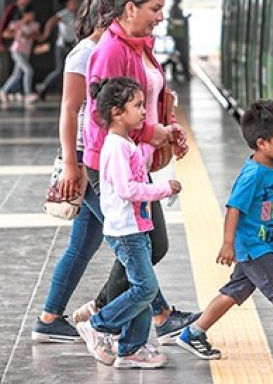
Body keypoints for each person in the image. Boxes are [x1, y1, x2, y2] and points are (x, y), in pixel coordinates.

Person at [81, 0, 198, 343]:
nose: (161, 16)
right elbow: (104, 117)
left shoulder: (139, 45)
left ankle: (123, 328)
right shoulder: (112, 51)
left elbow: (150, 98)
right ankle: (101, 319)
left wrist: (169, 128)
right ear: (130, 8)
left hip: (138, 159)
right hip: (112, 166)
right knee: (147, 246)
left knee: (141, 247)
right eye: (155, 8)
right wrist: (153, 133)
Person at [176, 100, 273, 364]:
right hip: (252, 247)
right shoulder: (252, 174)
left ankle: (192, 332)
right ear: (262, 143)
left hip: (261, 245)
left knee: (234, 292)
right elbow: (233, 208)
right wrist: (228, 243)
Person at [32, 0, 117, 343]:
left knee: (83, 244)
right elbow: (69, 109)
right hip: (85, 158)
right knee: (130, 238)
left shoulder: (107, 49)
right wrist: (72, 162)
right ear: (108, 13)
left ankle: (50, 318)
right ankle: (158, 314)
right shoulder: (84, 52)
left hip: (95, 155)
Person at [76, 76, 180, 369]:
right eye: (137, 105)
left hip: (137, 227)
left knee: (143, 286)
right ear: (117, 113)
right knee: (145, 289)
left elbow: (137, 164)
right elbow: (128, 190)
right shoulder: (116, 147)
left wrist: (168, 133)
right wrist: (164, 189)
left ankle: (131, 348)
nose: (144, 111)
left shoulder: (125, 143)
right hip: (126, 231)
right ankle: (98, 325)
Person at [36, 0, 80, 99]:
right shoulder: (64, 13)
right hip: (62, 46)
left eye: (76, 3)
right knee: (60, 70)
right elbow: (52, 21)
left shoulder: (77, 15)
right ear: (68, 4)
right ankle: (43, 86)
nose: (75, 5)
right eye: (72, 3)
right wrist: (45, 34)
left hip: (72, 45)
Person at [0, 6, 40, 106]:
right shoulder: (17, 24)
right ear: (25, 15)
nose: (32, 17)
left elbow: (38, 36)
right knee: (28, 70)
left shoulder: (35, 25)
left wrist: (29, 36)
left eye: (33, 15)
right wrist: (17, 32)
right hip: (16, 51)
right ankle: (27, 94)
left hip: (26, 52)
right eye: (30, 15)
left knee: (16, 75)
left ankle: (4, 90)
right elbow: (5, 34)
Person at [0, 0, 33, 92]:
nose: (26, 0)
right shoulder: (12, 9)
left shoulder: (26, 10)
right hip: (12, 43)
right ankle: (23, 92)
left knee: (18, 71)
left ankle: (7, 90)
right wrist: (1, 42)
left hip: (23, 44)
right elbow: (3, 26)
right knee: (24, 69)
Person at [167, 0, 190, 81]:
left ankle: (176, 73)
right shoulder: (175, 9)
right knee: (180, 55)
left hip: (177, 35)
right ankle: (183, 74)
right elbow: (174, 21)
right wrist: (184, 19)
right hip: (179, 36)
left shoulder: (173, 8)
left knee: (177, 54)